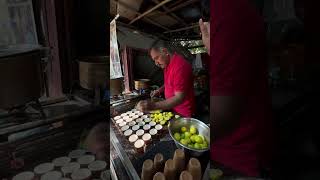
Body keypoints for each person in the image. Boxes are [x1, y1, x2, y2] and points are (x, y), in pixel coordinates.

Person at [199, 0, 274, 177]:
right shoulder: (245, 10)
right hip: (255, 142)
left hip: (236, 159)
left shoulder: (225, 10)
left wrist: (200, 134)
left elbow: (225, 113)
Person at [136, 45, 195, 117]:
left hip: (182, 112)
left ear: (165, 51)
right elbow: (169, 82)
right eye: (154, 60)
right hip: (173, 107)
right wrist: (159, 90)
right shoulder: (167, 64)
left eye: (156, 58)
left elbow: (179, 97)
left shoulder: (179, 66)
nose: (156, 63)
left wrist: (153, 106)